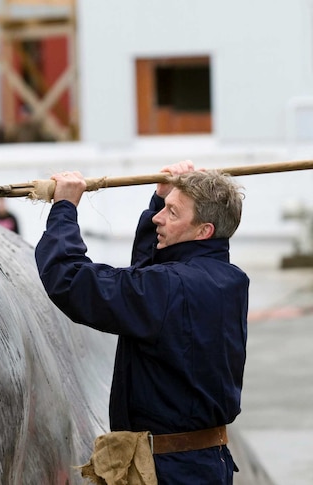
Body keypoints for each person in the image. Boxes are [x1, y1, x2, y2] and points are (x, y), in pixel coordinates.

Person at [34, 161, 248, 484]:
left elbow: (71, 280)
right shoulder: (229, 281)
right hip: (203, 463)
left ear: (204, 231)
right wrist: (161, 197)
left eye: (172, 213)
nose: (159, 217)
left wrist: (65, 209)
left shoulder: (168, 288)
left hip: (169, 471)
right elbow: (150, 279)